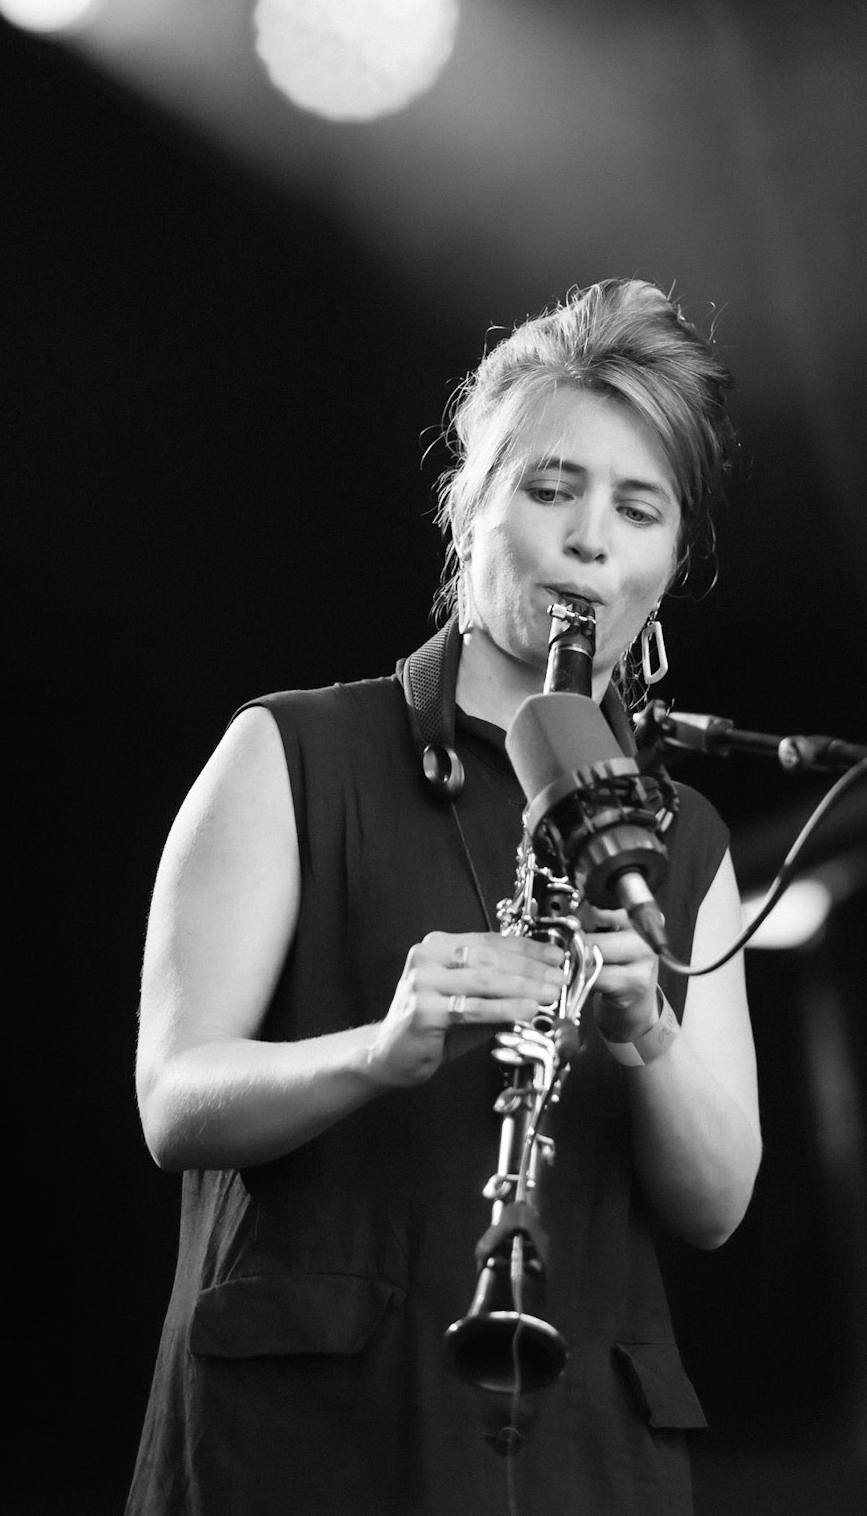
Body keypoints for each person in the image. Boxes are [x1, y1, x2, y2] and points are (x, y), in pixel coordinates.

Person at [126, 279, 762, 1516]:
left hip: (584, 1457)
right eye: (551, 488)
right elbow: (175, 1098)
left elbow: (718, 1199)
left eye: (638, 509)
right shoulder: (293, 750)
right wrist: (379, 1049)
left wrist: (649, 1029)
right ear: (471, 508)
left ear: (671, 562)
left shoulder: (684, 835)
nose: (591, 540)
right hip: (315, 1446)